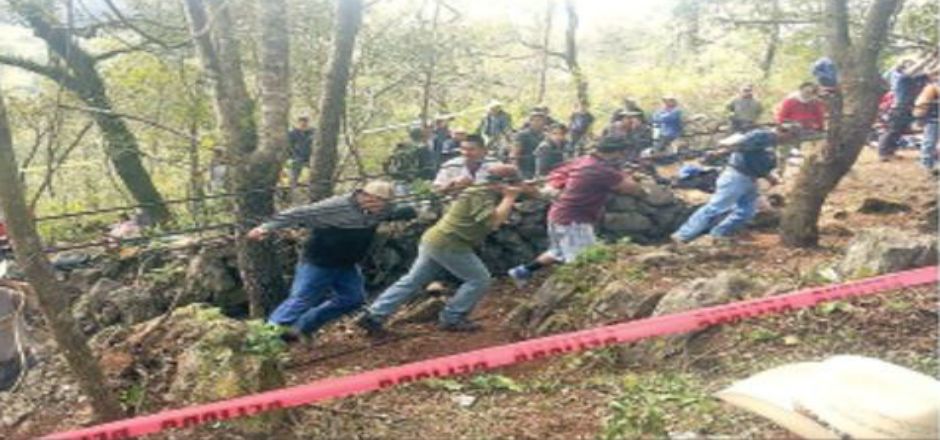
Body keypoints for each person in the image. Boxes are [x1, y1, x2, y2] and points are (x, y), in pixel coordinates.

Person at [357, 165, 530, 333]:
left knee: (412, 281)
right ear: (503, 183)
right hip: (449, 243)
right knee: (479, 279)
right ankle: (452, 317)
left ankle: (375, 314)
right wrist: (509, 198)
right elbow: (494, 222)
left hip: (437, 240)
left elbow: (534, 194)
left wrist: (523, 191)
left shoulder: (487, 192)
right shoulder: (480, 194)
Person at [249, 181, 414, 342]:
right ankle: (266, 338)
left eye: (384, 204)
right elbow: (299, 213)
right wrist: (266, 227)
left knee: (352, 299)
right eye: (377, 202)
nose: (379, 208)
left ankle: (300, 328)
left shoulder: (381, 211)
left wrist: (412, 210)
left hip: (347, 264)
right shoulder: (336, 206)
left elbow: (399, 211)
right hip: (319, 261)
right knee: (301, 299)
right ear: (363, 195)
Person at [508, 137, 643, 285]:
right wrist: (630, 176)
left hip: (558, 214)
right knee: (583, 262)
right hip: (574, 221)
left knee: (557, 252)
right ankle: (571, 293)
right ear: (618, 153)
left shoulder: (585, 161)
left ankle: (522, 272)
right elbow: (634, 190)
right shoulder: (601, 170)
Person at [671, 125, 797, 244]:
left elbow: (758, 163)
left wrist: (770, 177)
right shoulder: (763, 136)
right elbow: (743, 145)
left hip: (750, 179)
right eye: (791, 136)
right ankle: (683, 235)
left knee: (747, 211)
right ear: (783, 131)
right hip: (737, 176)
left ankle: (718, 234)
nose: (790, 139)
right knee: (716, 207)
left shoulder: (771, 143)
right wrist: (723, 150)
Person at [877, 56, 937, 161]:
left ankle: (890, 151)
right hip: (900, 107)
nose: (916, 67)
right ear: (903, 67)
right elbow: (914, 69)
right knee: (893, 130)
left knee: (900, 131)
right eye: (910, 64)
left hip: (911, 107)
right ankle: (883, 153)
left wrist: (935, 58)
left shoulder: (917, 78)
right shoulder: (902, 78)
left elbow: (931, 72)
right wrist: (928, 58)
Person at [774, 82, 826, 175]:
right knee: (784, 151)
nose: (808, 94)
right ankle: (780, 171)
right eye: (806, 91)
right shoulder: (790, 101)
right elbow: (781, 117)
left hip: (807, 129)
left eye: (810, 92)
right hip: (790, 129)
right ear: (801, 90)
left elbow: (819, 116)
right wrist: (783, 126)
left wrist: (820, 127)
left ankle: (811, 169)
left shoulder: (815, 102)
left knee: (821, 143)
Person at [434, 134, 498, 193]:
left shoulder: (495, 164)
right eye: (463, 149)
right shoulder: (450, 165)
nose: (466, 153)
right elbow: (436, 190)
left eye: (471, 149)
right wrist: (452, 182)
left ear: (483, 150)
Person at [913, 69, 939, 172]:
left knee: (930, 142)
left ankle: (928, 163)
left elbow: (921, 104)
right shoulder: (931, 88)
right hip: (934, 118)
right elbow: (921, 103)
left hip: (934, 118)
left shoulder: (932, 87)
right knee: (930, 142)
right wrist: (919, 116)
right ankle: (927, 164)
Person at [512, 111, 548, 179]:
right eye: (536, 120)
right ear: (530, 122)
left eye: (541, 121)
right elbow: (514, 153)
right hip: (525, 169)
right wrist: (516, 170)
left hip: (540, 169)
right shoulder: (522, 135)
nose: (539, 123)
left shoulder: (545, 136)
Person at [288, 115, 315, 195]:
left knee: (315, 171)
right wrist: (294, 155)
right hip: (298, 157)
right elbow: (290, 146)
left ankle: (311, 188)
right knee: (295, 169)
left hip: (311, 156)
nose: (303, 124)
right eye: (301, 122)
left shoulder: (313, 132)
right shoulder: (293, 133)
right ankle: (292, 188)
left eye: (305, 122)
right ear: (298, 123)